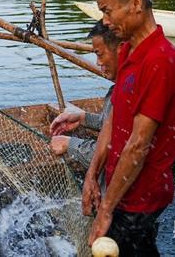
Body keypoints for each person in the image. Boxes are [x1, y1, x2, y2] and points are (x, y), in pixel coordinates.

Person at [82, 0, 175, 256]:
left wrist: (105, 210)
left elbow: (139, 145)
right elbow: (113, 118)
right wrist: (93, 175)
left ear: (136, 5)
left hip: (141, 197)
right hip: (120, 191)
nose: (105, 21)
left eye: (107, 11)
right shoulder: (128, 50)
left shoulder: (160, 61)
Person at [49, 21, 121, 168]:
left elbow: (114, 153)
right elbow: (110, 125)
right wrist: (82, 118)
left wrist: (70, 144)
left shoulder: (128, 94)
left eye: (100, 54)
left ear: (121, 49)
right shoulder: (117, 90)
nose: (98, 62)